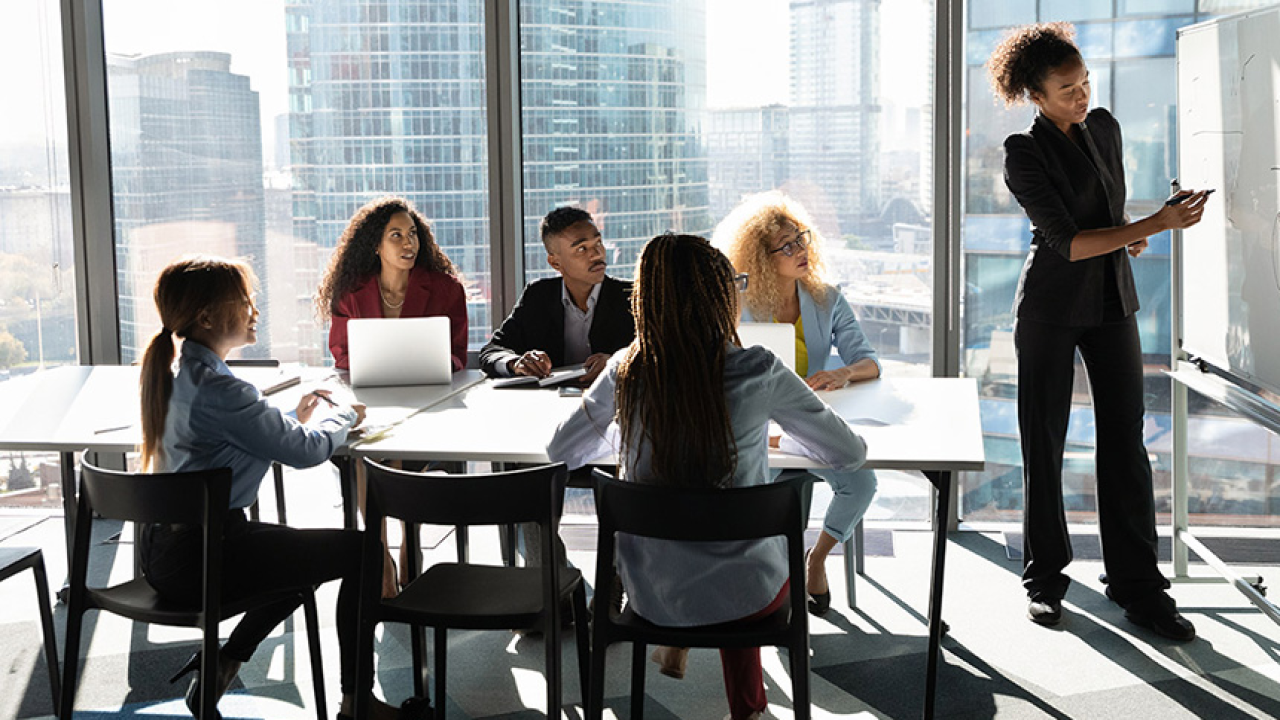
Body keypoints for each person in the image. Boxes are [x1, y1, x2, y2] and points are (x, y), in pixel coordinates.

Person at [547, 234, 868, 720]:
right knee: (743, 559)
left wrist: (631, 439)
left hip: (651, 593)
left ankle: (708, 672)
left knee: (712, 548)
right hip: (752, 598)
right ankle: (750, 711)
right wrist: (775, 440)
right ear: (720, 296)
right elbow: (848, 452)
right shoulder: (758, 369)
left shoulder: (625, 371)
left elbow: (560, 453)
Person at [988, 22, 1208, 638]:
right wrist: (1156, 225)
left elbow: (1107, 219)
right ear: (1035, 93)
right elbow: (1067, 240)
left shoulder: (1105, 128)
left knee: (1125, 445)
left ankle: (1138, 586)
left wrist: (1136, 232)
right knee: (1044, 442)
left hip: (1112, 301)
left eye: (1085, 82)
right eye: (1066, 89)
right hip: (1051, 309)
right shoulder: (1022, 152)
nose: (1081, 96)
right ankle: (1045, 578)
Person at [138, 256, 426, 720]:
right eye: (244, 301)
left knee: (300, 555)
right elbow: (308, 453)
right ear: (209, 317)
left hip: (165, 552)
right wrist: (345, 415)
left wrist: (291, 418)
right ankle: (357, 703)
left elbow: (235, 439)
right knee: (362, 552)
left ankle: (223, 664)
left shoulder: (182, 377)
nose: (254, 310)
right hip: (205, 560)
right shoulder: (222, 390)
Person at [713, 190, 880, 616]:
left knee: (862, 483)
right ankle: (765, 585)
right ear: (763, 258)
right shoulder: (741, 306)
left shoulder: (825, 298)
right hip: (759, 429)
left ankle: (816, 559)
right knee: (753, 496)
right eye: (784, 247)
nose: (799, 250)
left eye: (800, 239)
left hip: (808, 424)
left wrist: (844, 372)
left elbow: (869, 362)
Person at [316, 195, 469, 597]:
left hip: (430, 403)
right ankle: (382, 549)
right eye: (396, 235)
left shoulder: (445, 288)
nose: (408, 243)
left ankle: (406, 543)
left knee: (390, 450)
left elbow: (457, 353)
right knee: (370, 448)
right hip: (371, 399)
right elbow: (342, 356)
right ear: (376, 245)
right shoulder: (351, 293)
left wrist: (426, 362)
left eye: (413, 234)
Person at [479, 206, 635, 385]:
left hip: (614, 405)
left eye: (598, 243)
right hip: (550, 404)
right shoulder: (538, 296)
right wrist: (516, 363)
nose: (597, 254)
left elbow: (662, 354)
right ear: (555, 262)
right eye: (582, 249)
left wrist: (619, 362)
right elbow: (492, 351)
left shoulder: (632, 297)